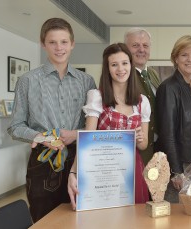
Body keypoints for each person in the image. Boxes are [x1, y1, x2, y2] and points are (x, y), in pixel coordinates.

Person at [7, 18, 96, 222]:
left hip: (78, 160)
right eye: (52, 42)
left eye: (64, 42)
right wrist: (40, 137)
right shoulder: (27, 81)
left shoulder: (87, 81)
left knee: (80, 219)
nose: (59, 48)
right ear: (42, 43)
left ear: (72, 44)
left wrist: (75, 134)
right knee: (43, 220)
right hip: (43, 163)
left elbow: (92, 124)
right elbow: (15, 127)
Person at [67, 43, 150, 209]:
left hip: (132, 169)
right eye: (114, 64)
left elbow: (143, 144)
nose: (121, 69)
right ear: (107, 69)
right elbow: (87, 140)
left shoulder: (142, 102)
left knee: (135, 218)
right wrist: (74, 172)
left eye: (125, 63)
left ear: (131, 65)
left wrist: (139, 138)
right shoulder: (97, 97)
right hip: (103, 169)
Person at [156, 35, 191, 203]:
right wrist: (176, 171)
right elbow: (167, 133)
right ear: (176, 58)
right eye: (184, 55)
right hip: (180, 163)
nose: (190, 60)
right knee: (177, 213)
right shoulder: (168, 88)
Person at [124, 28, 161, 166]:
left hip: (155, 149)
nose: (141, 49)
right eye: (135, 45)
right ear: (125, 49)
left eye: (145, 45)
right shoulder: (122, 75)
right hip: (133, 150)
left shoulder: (153, 74)